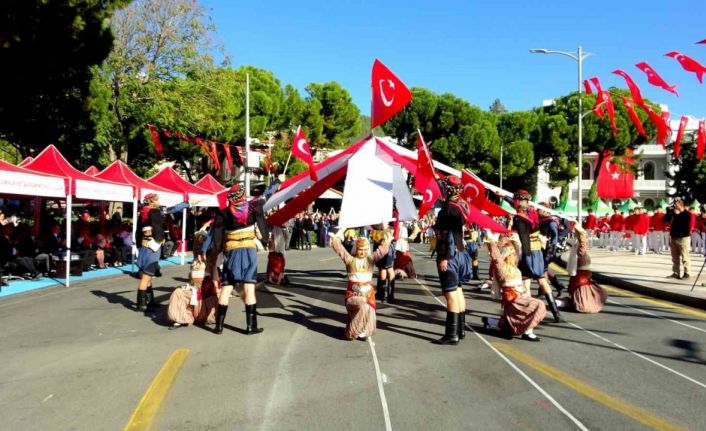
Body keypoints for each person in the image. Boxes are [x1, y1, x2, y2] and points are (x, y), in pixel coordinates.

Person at [207, 184, 268, 335]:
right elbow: (262, 224)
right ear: (243, 194)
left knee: (227, 286)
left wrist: (219, 250)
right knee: (249, 287)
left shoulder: (223, 213)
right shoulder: (254, 208)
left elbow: (218, 236)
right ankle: (250, 327)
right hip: (249, 250)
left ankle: (218, 326)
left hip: (231, 251)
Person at [506, 190, 564, 323]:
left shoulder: (519, 218)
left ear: (518, 201)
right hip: (538, 252)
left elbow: (524, 239)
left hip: (529, 252)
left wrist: (522, 257)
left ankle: (529, 314)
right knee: (542, 280)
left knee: (525, 283)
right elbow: (516, 203)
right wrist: (503, 197)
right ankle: (556, 313)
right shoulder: (532, 212)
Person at [481, 231, 546, 341]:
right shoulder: (501, 268)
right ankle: (527, 331)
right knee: (539, 305)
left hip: (520, 297)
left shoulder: (514, 266)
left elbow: (518, 248)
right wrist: (490, 240)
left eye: (514, 255)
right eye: (512, 255)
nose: (515, 256)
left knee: (511, 323)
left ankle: (489, 321)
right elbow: (496, 256)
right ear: (506, 256)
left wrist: (512, 237)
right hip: (513, 300)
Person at [330, 227, 391, 340]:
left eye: (364, 249)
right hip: (352, 295)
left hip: (368, 294)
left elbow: (381, 252)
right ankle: (351, 331)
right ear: (356, 249)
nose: (362, 252)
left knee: (368, 306)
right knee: (364, 304)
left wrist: (387, 239)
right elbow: (340, 250)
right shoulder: (350, 260)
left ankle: (365, 331)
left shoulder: (370, 260)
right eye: (360, 249)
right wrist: (338, 236)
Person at [433, 176, 473, 345]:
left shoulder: (448, 210)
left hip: (450, 255)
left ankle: (451, 335)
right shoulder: (463, 205)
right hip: (461, 253)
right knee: (458, 291)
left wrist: (444, 258)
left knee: (450, 294)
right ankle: (461, 330)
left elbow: (448, 236)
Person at [135, 193, 190, 312]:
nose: (159, 202)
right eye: (157, 200)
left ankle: (150, 301)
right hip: (152, 246)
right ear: (153, 201)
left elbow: (138, 231)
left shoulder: (143, 212)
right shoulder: (154, 211)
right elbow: (168, 213)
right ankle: (141, 304)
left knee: (146, 275)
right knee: (147, 275)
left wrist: (185, 204)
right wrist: (186, 204)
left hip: (144, 246)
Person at [556, 224, 607, 313]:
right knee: (581, 282)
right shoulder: (579, 241)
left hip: (582, 264)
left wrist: (581, 236)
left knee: (580, 282)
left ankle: (582, 302)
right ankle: (583, 301)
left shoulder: (581, 241)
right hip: (582, 264)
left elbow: (582, 247)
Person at [167, 261, 217, 328]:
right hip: (194, 295)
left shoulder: (208, 277)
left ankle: (197, 315)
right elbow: (191, 285)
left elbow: (211, 291)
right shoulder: (191, 274)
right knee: (178, 292)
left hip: (204, 299)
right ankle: (181, 318)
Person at [538, 204, 566, 296]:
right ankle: (558, 286)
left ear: (546, 210)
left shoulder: (551, 222)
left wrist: (551, 250)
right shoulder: (541, 220)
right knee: (545, 270)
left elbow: (554, 236)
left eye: (540, 209)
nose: (538, 210)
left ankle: (543, 291)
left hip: (547, 249)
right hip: (540, 247)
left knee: (542, 269)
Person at [663, 198, 692, 279]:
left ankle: (687, 273)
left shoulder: (687, 214)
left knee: (685, 257)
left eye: (676, 204)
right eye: (674, 204)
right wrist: (668, 212)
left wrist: (677, 214)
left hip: (683, 238)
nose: (675, 205)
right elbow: (664, 220)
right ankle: (676, 273)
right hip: (674, 237)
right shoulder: (673, 213)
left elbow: (682, 223)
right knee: (675, 257)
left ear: (681, 205)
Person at [372, 222, 396, 303]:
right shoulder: (390, 222)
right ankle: (388, 295)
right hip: (387, 245)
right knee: (388, 269)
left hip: (383, 244)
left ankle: (384, 294)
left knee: (383, 269)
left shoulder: (383, 223)